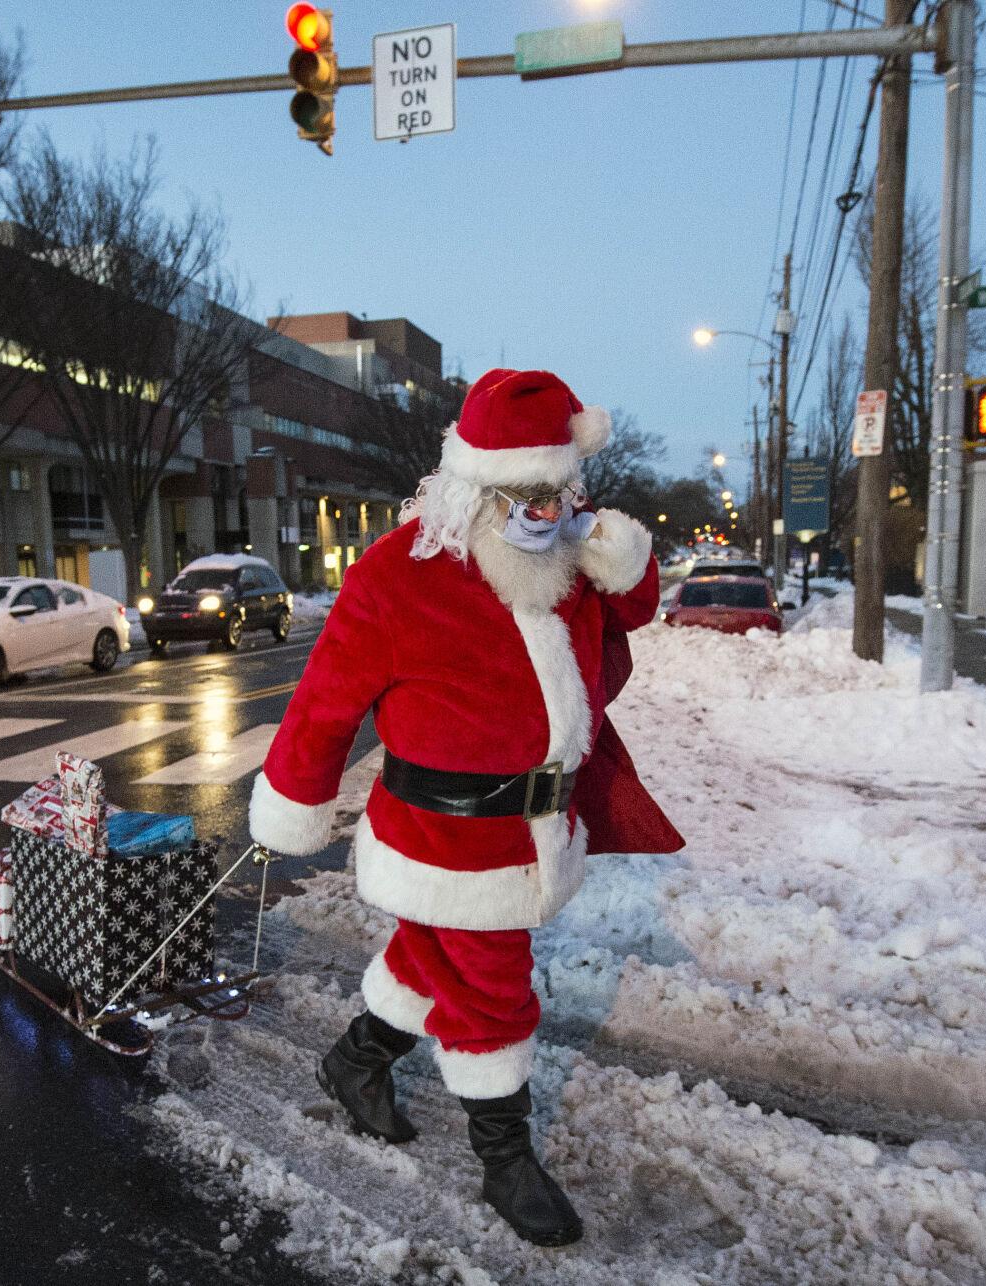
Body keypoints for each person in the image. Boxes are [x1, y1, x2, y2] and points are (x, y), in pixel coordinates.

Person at [248, 368, 683, 1247]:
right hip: (443, 831)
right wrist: (297, 800)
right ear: (476, 484)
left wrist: (620, 554)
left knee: (427, 955)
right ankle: (504, 1157)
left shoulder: (567, 559)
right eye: (522, 493)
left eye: (557, 492)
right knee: (491, 991)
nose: (541, 510)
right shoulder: (401, 572)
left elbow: (635, 608)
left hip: (536, 825)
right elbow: (325, 701)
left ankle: (355, 1063)